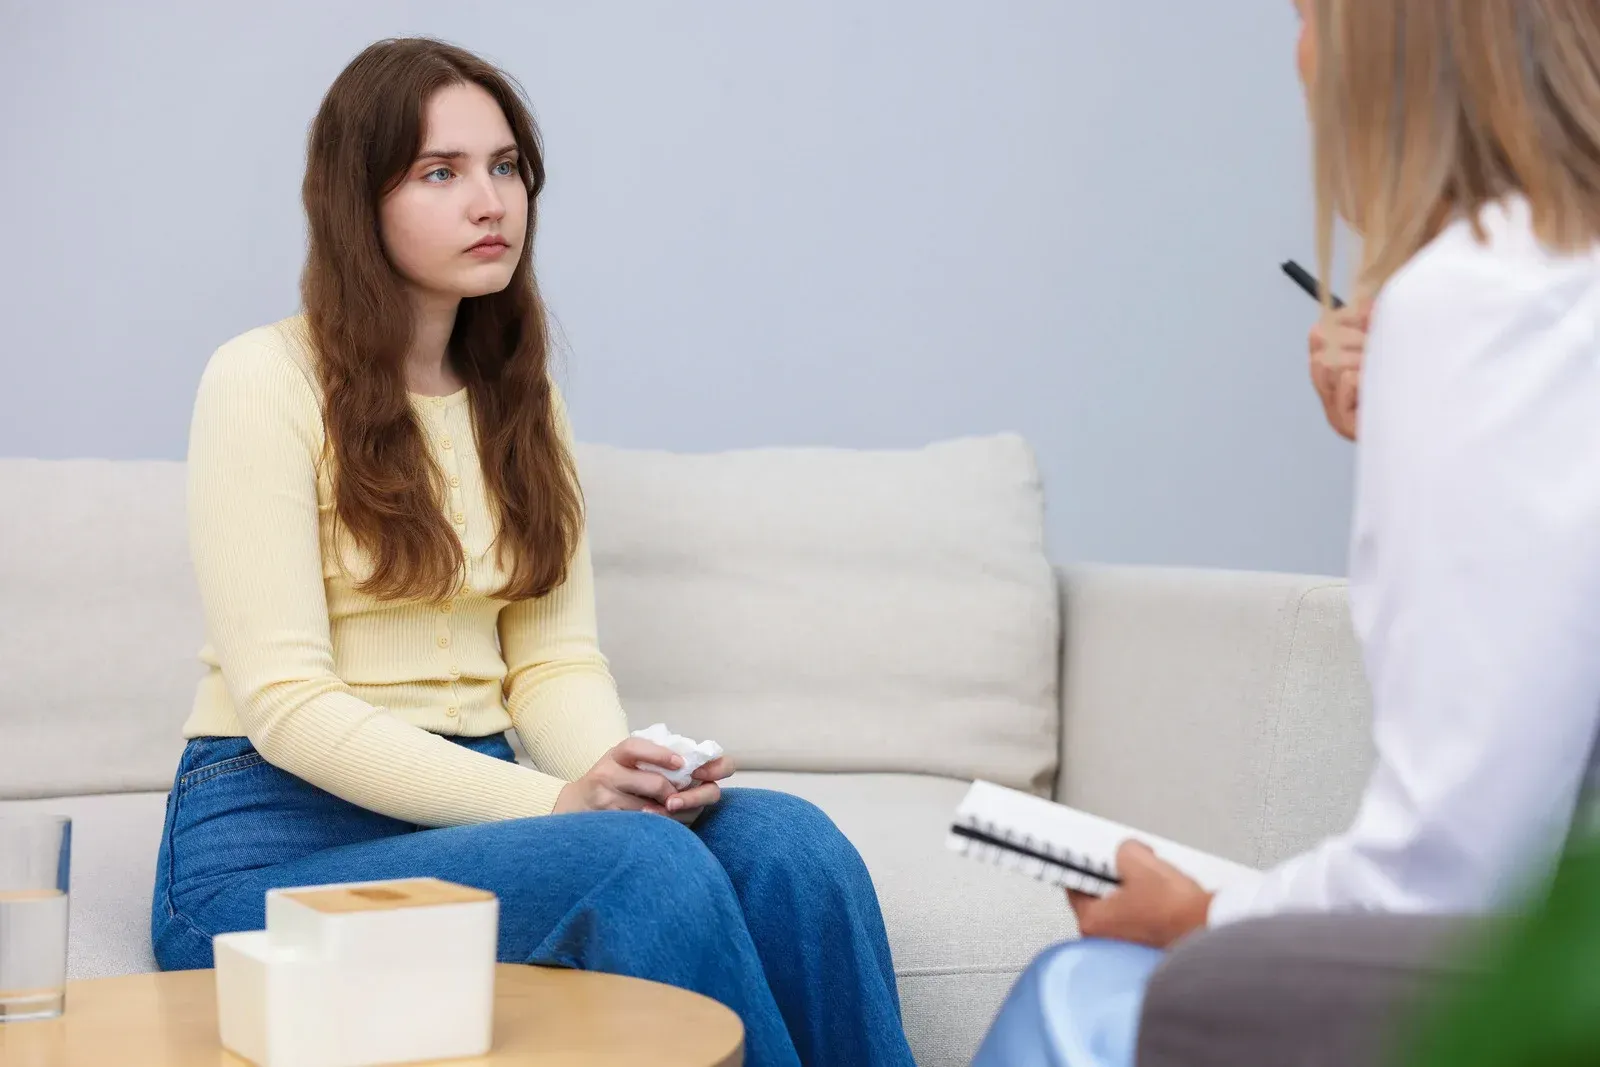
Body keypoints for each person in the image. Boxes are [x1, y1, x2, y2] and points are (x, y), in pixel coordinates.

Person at [148, 37, 915, 1067]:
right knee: (639, 867)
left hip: (486, 812)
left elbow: (552, 658)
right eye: (440, 172)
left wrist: (612, 774)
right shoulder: (260, 379)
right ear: (354, 200)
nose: (490, 201)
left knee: (791, 843)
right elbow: (288, 704)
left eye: (506, 166)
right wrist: (559, 804)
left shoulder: (519, 394)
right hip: (273, 842)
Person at [974, 1, 1600, 1063]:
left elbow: (1447, 882)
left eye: (1309, 14)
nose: (1298, 52)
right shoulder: (1548, 293)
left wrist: (1200, 913)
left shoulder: (1474, 303)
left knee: (1080, 990)